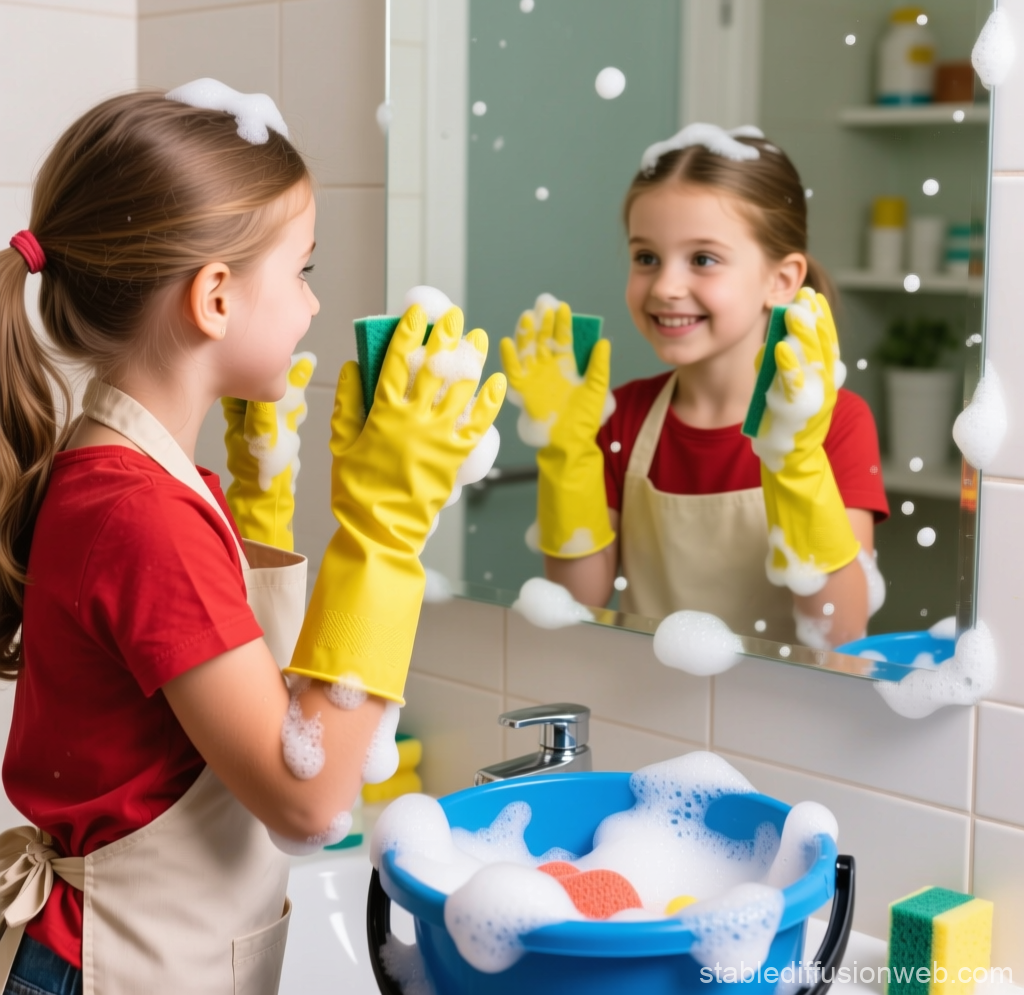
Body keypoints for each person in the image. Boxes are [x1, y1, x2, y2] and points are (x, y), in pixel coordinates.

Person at [0, 84, 504, 995]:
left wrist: (262, 497)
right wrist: (384, 532)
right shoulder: (139, 513)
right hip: (109, 968)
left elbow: (210, 689)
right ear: (217, 298)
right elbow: (307, 798)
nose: (313, 305)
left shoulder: (127, 476)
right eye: (303, 270)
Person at [501, 125, 888, 647]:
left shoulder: (838, 421)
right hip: (649, 712)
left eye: (703, 259)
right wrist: (566, 452)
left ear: (781, 280)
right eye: (646, 258)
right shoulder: (624, 416)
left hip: (783, 717)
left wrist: (796, 460)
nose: (665, 286)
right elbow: (579, 604)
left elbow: (840, 629)